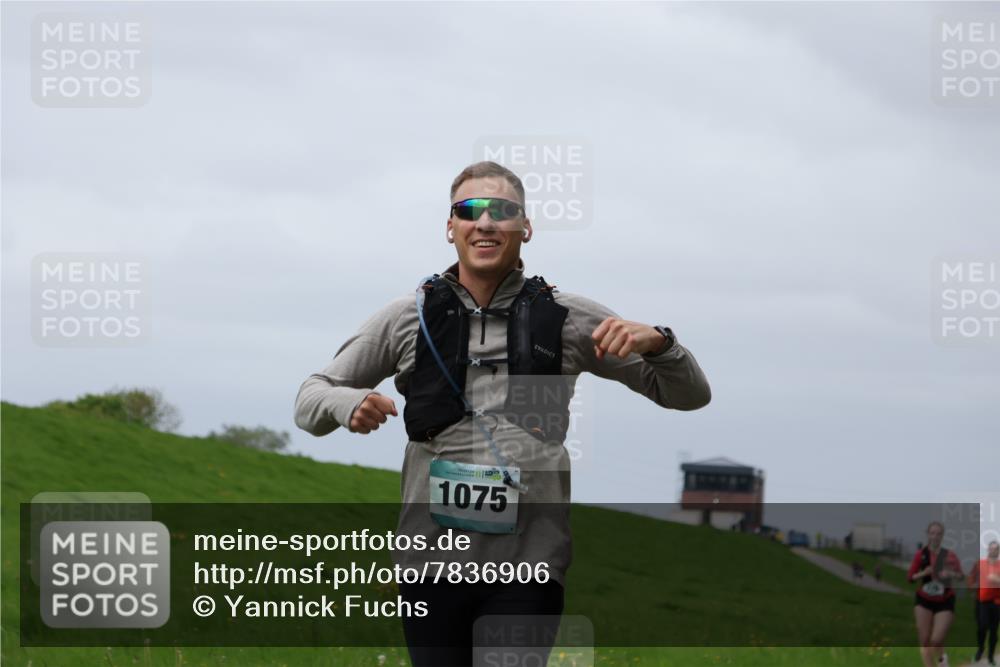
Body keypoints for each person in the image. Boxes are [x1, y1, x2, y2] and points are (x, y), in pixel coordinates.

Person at [293, 161, 711, 666]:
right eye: (469, 210)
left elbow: (688, 395)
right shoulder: (407, 318)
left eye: (502, 211)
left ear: (525, 227)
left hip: (528, 569)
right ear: (451, 227)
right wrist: (347, 402)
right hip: (429, 569)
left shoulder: (569, 317)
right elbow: (310, 400)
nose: (485, 222)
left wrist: (662, 343)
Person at [908, 521, 965, 667]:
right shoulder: (921, 555)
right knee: (925, 640)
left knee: (937, 640)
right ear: (928, 534)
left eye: (938, 533)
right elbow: (910, 578)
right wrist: (923, 573)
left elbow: (961, 576)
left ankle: (943, 661)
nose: (935, 536)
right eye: (932, 533)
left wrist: (950, 573)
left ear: (942, 536)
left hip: (944, 600)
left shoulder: (949, 555)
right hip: (924, 600)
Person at [968, 540, 1000, 665]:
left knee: (993, 630)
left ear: (998, 551)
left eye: (996, 549)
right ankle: (981, 648)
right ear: (988, 550)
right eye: (991, 548)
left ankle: (991, 657)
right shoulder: (979, 564)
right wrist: (972, 586)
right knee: (982, 627)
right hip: (981, 601)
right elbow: (971, 577)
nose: (993, 551)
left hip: (997, 602)